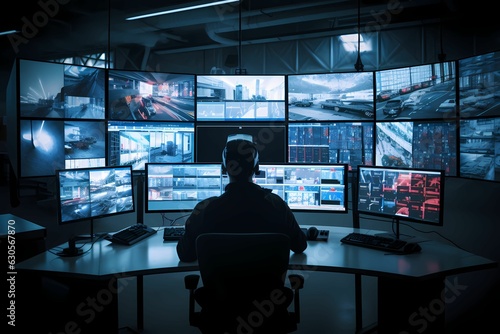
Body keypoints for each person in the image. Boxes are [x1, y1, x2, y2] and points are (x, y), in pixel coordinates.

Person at [176, 133, 307, 262]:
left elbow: (185, 255)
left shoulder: (204, 210)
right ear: (256, 167)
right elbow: (300, 246)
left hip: (221, 284)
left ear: (224, 167)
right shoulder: (277, 206)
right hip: (266, 283)